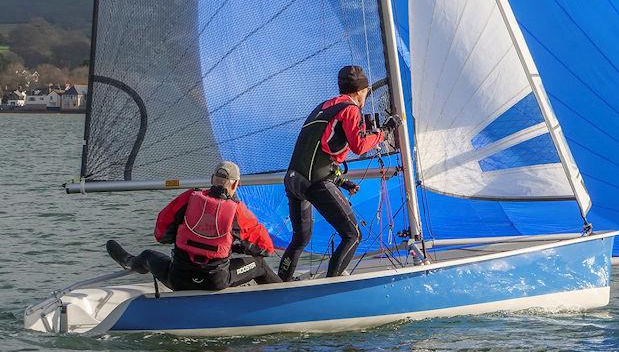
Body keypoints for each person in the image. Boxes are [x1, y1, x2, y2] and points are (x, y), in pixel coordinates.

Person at [278, 65, 400, 281]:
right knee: (353, 234)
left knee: (300, 238)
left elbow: (319, 152)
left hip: (294, 180)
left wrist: (343, 182)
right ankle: (331, 285)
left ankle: (280, 285)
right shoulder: (350, 110)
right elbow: (359, 146)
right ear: (360, 91)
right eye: (365, 92)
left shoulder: (324, 107)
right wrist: (385, 132)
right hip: (315, 183)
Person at [106, 161, 282, 291]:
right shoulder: (237, 211)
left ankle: (129, 262)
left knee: (147, 256)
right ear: (236, 184)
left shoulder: (189, 198)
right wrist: (237, 247)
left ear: (212, 179)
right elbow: (265, 248)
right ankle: (285, 298)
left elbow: (161, 235)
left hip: (178, 278)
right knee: (258, 264)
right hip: (216, 281)